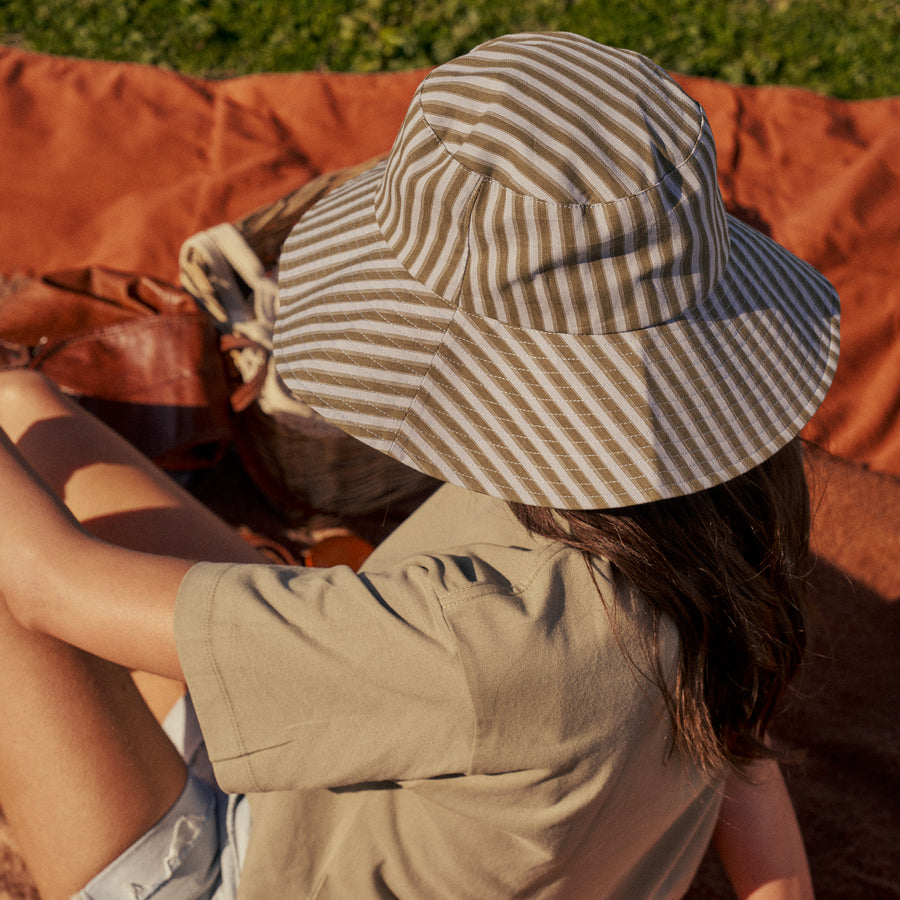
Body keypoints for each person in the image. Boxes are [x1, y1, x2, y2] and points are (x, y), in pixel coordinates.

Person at [0, 31, 838, 900]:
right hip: (400, 739)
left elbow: (44, 586)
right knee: (24, 407)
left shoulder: (478, 640)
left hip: (238, 873)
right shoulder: (737, 505)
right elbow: (742, 749)